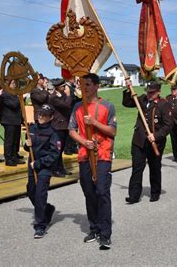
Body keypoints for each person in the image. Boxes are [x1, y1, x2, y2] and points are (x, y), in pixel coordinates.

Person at [68, 73, 116, 250]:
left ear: (96, 86)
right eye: (82, 84)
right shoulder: (78, 107)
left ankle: (105, 233)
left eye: (88, 84)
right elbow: (71, 130)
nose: (84, 88)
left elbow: (112, 131)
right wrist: (83, 141)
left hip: (102, 155)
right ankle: (94, 228)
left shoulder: (107, 106)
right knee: (89, 192)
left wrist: (94, 122)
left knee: (102, 192)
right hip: (84, 155)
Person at [123, 80, 173, 203]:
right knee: (137, 168)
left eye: (152, 92)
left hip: (155, 142)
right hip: (139, 140)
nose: (149, 95)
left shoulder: (164, 104)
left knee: (154, 167)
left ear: (159, 92)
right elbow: (127, 103)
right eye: (148, 92)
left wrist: (156, 136)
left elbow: (168, 125)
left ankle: (155, 192)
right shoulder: (141, 99)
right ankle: (134, 195)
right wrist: (129, 90)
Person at [25, 104, 59, 239]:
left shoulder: (53, 133)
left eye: (44, 115)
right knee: (31, 191)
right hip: (31, 166)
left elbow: (54, 154)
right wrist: (26, 145)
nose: (40, 116)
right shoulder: (32, 128)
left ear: (50, 117)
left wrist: (38, 163)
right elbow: (29, 147)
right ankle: (47, 209)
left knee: (40, 194)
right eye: (39, 114)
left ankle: (40, 225)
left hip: (44, 167)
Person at [49, 78, 73, 177]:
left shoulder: (61, 95)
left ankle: (61, 168)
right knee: (57, 150)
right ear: (58, 87)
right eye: (63, 86)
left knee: (61, 149)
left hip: (64, 125)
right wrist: (68, 95)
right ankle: (54, 169)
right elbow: (67, 105)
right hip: (58, 126)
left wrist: (69, 95)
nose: (65, 87)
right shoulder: (53, 97)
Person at [0, 80, 24, 167]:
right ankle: (8, 158)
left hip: (16, 120)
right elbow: (13, 105)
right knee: (9, 141)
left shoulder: (14, 94)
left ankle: (14, 157)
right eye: (13, 83)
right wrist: (20, 98)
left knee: (15, 140)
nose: (15, 85)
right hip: (9, 120)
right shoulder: (5, 94)